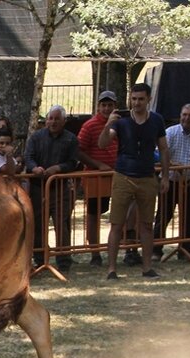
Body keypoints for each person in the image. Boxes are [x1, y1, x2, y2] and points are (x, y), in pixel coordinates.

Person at [99, 83, 172, 279]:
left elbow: (164, 149)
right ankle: (111, 269)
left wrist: (165, 176)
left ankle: (147, 267)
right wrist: (108, 124)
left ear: (148, 99)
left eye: (140, 99)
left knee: (147, 224)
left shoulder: (156, 120)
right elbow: (103, 143)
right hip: (123, 176)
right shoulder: (121, 121)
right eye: (133, 99)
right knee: (116, 224)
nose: (136, 102)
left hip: (147, 178)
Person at [25, 105, 80, 272]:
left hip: (60, 188)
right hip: (37, 188)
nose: (53, 122)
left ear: (64, 121)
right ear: (46, 119)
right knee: (38, 225)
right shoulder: (36, 137)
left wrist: (58, 168)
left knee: (62, 224)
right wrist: (34, 168)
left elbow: (73, 162)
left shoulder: (71, 139)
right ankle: (40, 259)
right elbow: (28, 157)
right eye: (50, 118)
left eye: (57, 119)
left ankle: (64, 260)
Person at [153, 104, 190, 260]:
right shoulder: (170, 132)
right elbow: (160, 157)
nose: (187, 118)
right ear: (180, 115)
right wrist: (173, 168)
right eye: (184, 114)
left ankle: (189, 250)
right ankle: (156, 250)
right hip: (170, 182)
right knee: (163, 217)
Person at [77, 90, 120, 266]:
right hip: (95, 176)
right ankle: (95, 252)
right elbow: (78, 150)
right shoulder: (90, 125)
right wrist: (97, 164)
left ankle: (126, 249)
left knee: (120, 214)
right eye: (104, 105)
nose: (107, 108)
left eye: (110, 105)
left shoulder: (121, 124)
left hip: (118, 175)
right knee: (94, 214)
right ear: (98, 106)